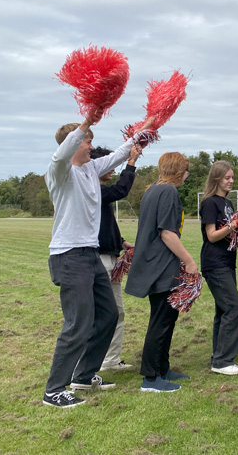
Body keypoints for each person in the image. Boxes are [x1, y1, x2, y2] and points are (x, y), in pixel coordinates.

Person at [42, 110, 150, 408]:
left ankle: (83, 375)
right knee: (78, 323)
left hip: (90, 253)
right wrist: (87, 121)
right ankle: (54, 390)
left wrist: (149, 124)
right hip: (68, 255)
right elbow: (60, 155)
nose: (92, 146)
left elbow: (121, 152)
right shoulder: (60, 171)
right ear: (74, 142)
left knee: (108, 315)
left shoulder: (91, 169)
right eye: (88, 141)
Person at [125, 152, 197, 392]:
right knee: (161, 321)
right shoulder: (168, 191)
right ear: (178, 171)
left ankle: (163, 368)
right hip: (161, 266)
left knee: (167, 318)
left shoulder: (154, 189)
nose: (187, 174)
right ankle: (150, 377)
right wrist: (189, 261)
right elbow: (167, 233)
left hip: (155, 264)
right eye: (185, 170)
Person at [90, 144, 142, 371]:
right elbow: (122, 190)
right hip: (99, 260)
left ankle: (111, 359)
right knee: (103, 313)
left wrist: (120, 242)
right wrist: (131, 163)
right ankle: (94, 361)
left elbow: (105, 225)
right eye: (108, 163)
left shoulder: (102, 192)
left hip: (111, 258)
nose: (112, 167)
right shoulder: (93, 190)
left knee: (117, 312)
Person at [199, 161, 238, 376]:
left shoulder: (227, 203)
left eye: (232, 177)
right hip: (215, 263)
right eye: (227, 178)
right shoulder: (210, 203)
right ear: (216, 179)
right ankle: (223, 361)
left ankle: (218, 357)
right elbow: (212, 235)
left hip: (227, 261)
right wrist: (232, 226)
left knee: (223, 311)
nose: (231, 181)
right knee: (234, 308)